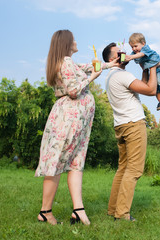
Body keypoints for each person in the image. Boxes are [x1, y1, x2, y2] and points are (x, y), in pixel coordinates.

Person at [34, 30, 118, 225]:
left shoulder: (65, 62)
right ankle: (45, 212)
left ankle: (78, 210)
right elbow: (73, 90)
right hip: (69, 119)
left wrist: (109, 65)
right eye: (73, 39)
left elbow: (88, 67)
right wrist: (92, 78)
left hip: (75, 119)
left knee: (75, 163)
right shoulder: (66, 61)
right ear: (66, 43)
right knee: (57, 163)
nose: (76, 41)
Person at [102, 42, 157, 221]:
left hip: (121, 125)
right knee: (134, 170)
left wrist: (144, 69)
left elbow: (140, 84)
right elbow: (150, 89)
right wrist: (154, 66)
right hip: (134, 125)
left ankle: (113, 210)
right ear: (112, 59)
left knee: (123, 168)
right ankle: (122, 214)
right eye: (119, 52)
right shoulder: (122, 75)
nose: (124, 53)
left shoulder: (111, 76)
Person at [125, 32, 160, 111]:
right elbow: (140, 62)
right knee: (154, 86)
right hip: (151, 70)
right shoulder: (134, 53)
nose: (133, 49)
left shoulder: (145, 49)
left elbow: (141, 55)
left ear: (143, 43)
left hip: (159, 68)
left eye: (135, 46)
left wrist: (131, 57)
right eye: (132, 47)